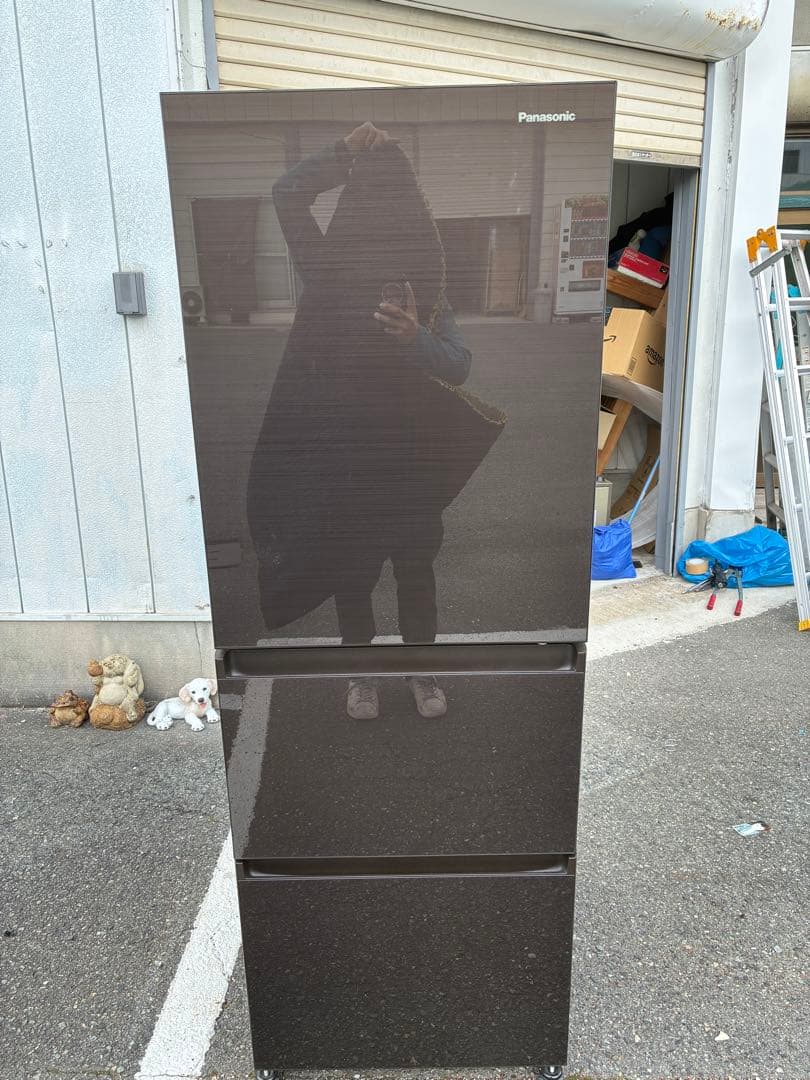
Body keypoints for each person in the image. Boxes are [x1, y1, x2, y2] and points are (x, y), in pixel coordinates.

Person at [257, 122, 472, 720]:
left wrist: (415, 337)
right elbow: (286, 194)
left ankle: (422, 672)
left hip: (410, 463)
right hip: (346, 460)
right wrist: (343, 152)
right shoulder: (328, 272)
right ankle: (362, 675)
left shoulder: (427, 290)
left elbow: (459, 366)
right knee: (351, 575)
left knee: (415, 573)